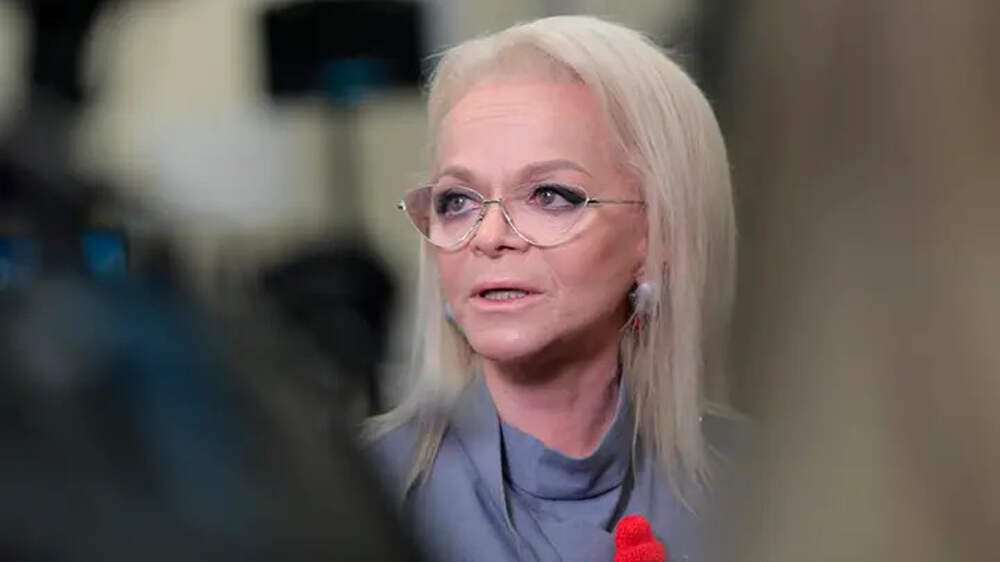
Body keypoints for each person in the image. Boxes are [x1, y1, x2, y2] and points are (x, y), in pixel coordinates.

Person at [366, 15, 742, 562]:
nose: (488, 237)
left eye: (549, 195)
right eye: (457, 201)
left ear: (657, 235)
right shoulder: (355, 494)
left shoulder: (770, 485)